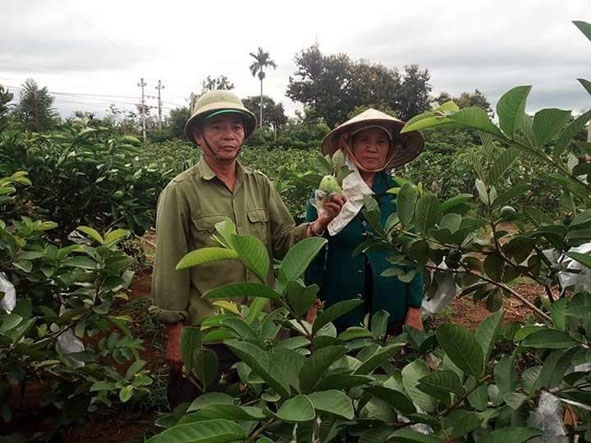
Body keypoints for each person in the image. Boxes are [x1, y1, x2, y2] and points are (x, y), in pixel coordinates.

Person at [149, 90, 344, 406]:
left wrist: (318, 224)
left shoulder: (260, 184)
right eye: (217, 127)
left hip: (260, 328)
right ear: (198, 136)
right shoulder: (180, 191)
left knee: (257, 411)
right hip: (210, 332)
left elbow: (282, 241)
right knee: (202, 415)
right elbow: (169, 263)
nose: (229, 135)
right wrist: (175, 333)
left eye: (236, 127)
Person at [305, 108, 425, 336]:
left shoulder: (400, 194)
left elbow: (414, 254)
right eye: (364, 140)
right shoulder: (327, 194)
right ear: (349, 146)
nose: (373, 148)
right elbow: (312, 253)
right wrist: (312, 302)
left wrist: (414, 308)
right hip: (339, 309)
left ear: (390, 149)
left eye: (381, 141)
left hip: (391, 309)